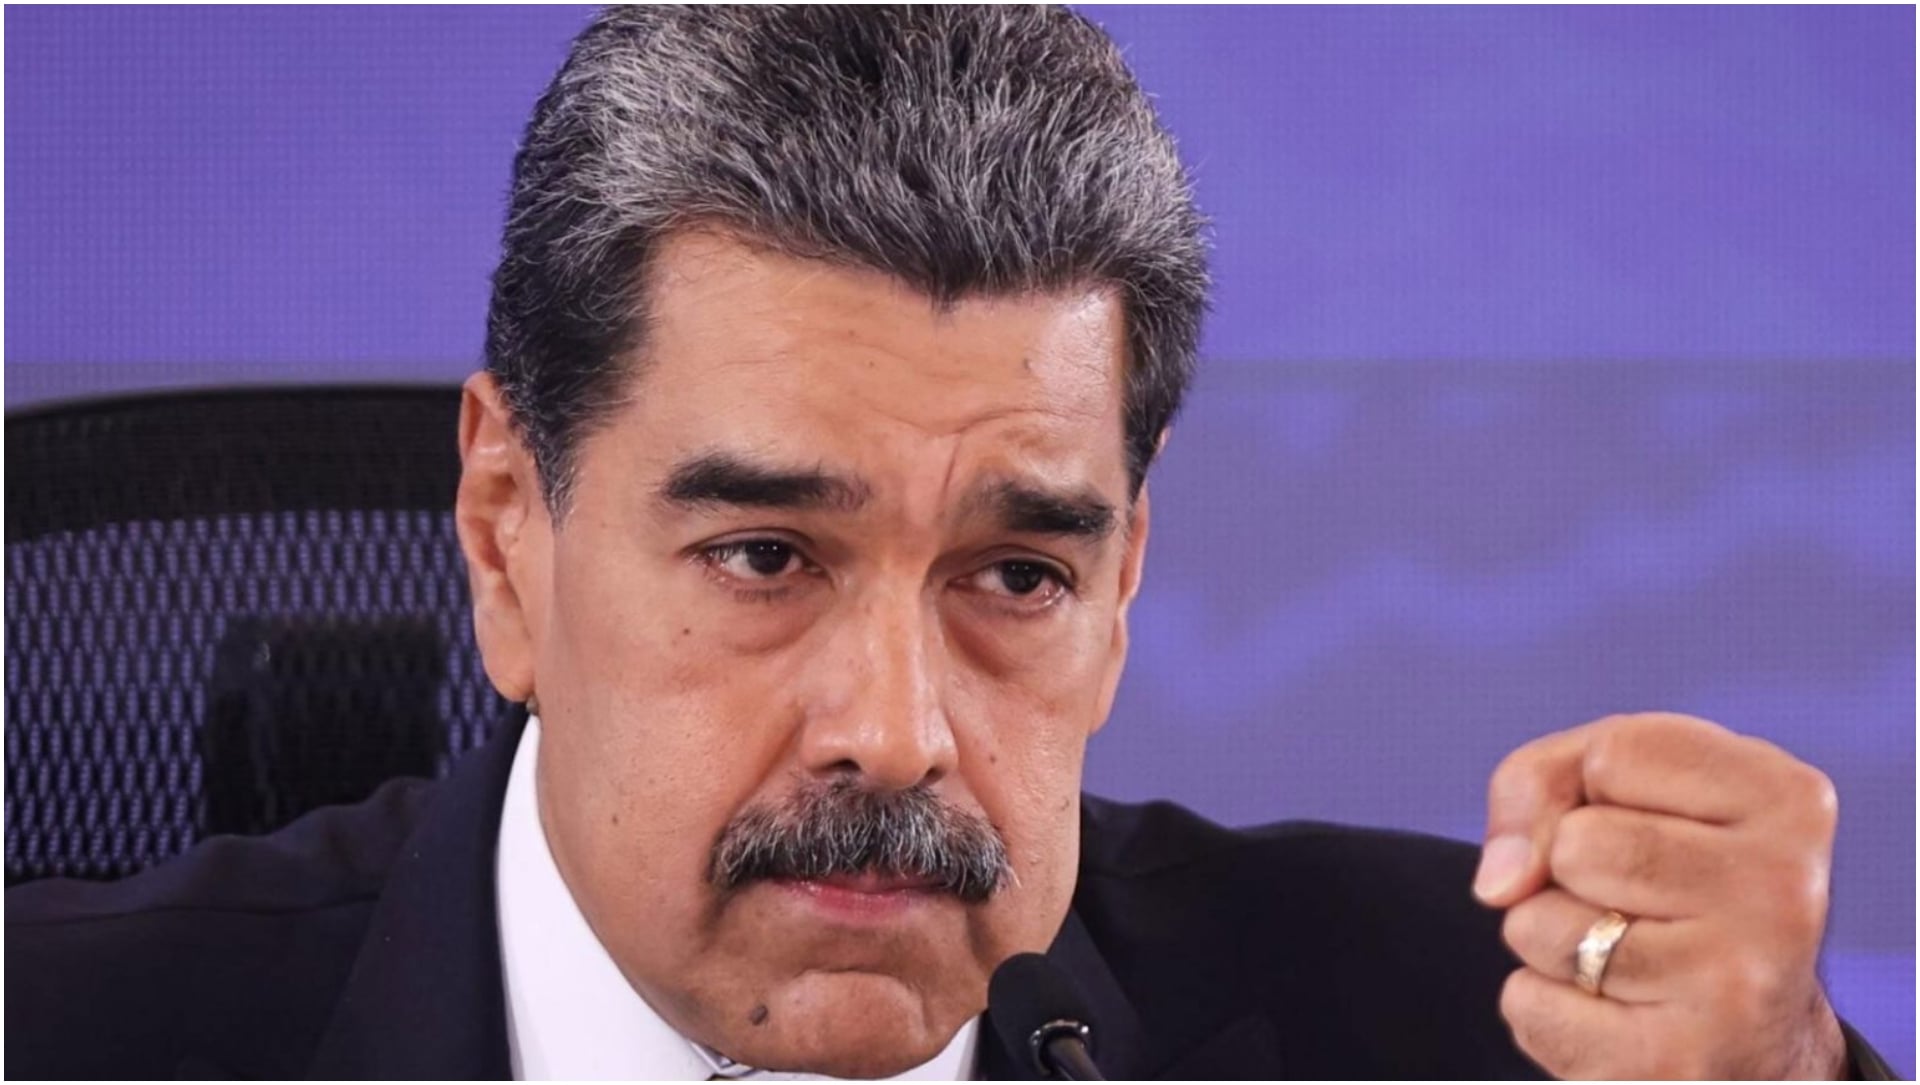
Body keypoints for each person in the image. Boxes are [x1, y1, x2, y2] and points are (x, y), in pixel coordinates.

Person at [5, 7, 1895, 1080]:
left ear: (1123, 584)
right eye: (767, 554)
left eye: (1016, 575)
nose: (900, 733)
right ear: (509, 535)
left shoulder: (1479, 1037)